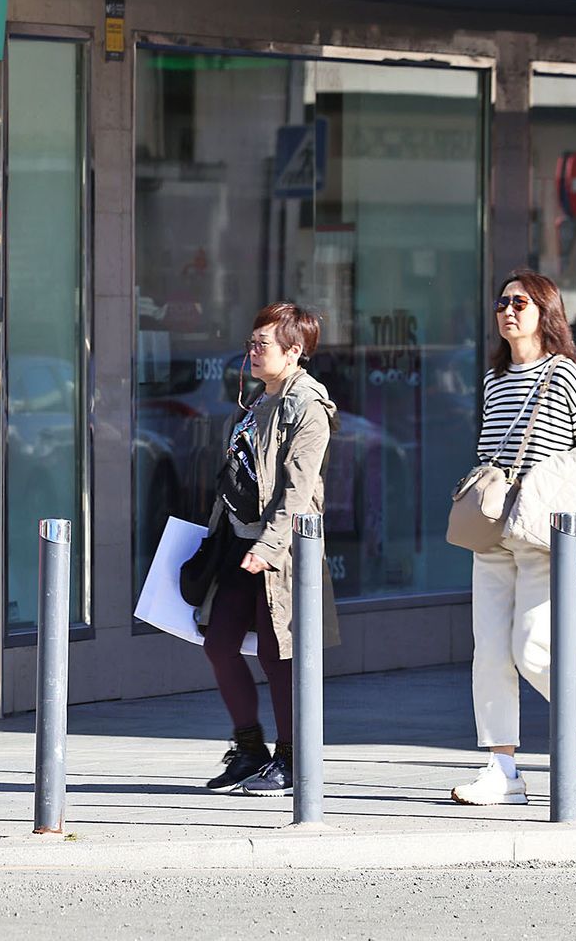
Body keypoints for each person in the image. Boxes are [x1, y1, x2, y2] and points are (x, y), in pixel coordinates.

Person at [451, 270, 576, 807]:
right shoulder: (494, 380)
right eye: (502, 302)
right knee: (490, 653)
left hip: (543, 534)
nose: (508, 311)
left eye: (520, 302)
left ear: (545, 311)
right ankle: (503, 769)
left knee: (534, 647)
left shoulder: (564, 375)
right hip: (494, 529)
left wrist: (548, 490)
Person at [198, 302, 338, 797]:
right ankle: (250, 748)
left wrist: (269, 545)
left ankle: (292, 759)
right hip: (238, 542)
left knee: (280, 655)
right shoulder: (261, 399)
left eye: (263, 344)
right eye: (251, 343)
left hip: (279, 550)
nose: (253, 352)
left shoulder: (308, 406)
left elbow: (298, 491)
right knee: (218, 643)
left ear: (294, 351)